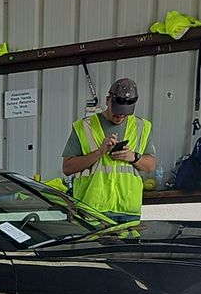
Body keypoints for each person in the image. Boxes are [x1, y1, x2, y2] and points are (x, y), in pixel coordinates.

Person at [62, 77, 156, 222]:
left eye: (124, 114)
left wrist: (133, 157)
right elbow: (67, 167)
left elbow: (150, 166)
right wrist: (99, 152)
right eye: (116, 111)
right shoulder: (84, 127)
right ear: (108, 100)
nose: (119, 117)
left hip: (128, 210)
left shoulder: (141, 127)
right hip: (92, 209)